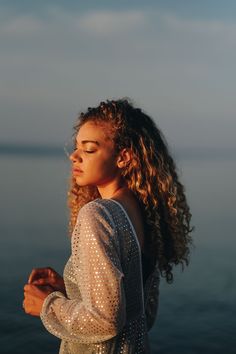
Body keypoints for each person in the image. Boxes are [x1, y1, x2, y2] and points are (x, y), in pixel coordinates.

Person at [23, 99, 194, 353]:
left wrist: (49, 304)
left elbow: (106, 321)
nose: (74, 156)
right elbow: (143, 315)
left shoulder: (98, 214)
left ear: (123, 157)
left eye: (89, 149)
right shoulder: (143, 214)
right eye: (76, 147)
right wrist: (73, 290)